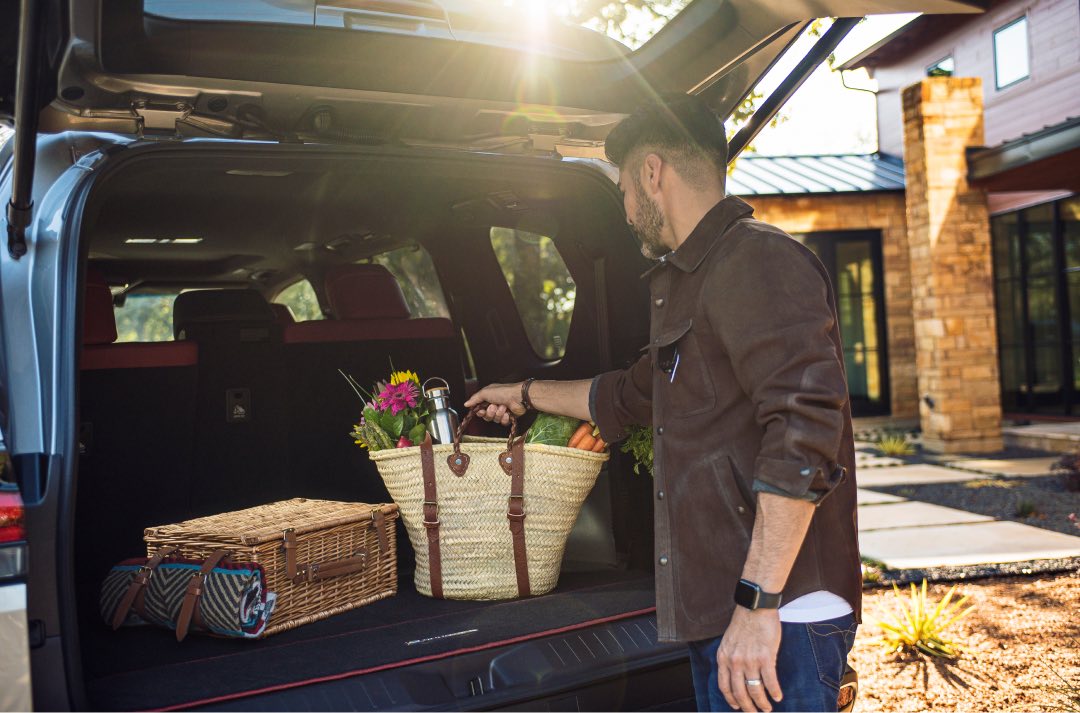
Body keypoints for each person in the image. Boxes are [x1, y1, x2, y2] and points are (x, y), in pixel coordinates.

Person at [464, 94, 861, 713]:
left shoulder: (757, 260)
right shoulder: (690, 282)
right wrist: (522, 393)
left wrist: (758, 606)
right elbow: (630, 396)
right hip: (727, 614)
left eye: (623, 188)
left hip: (781, 618)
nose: (625, 209)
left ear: (652, 173)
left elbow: (807, 433)